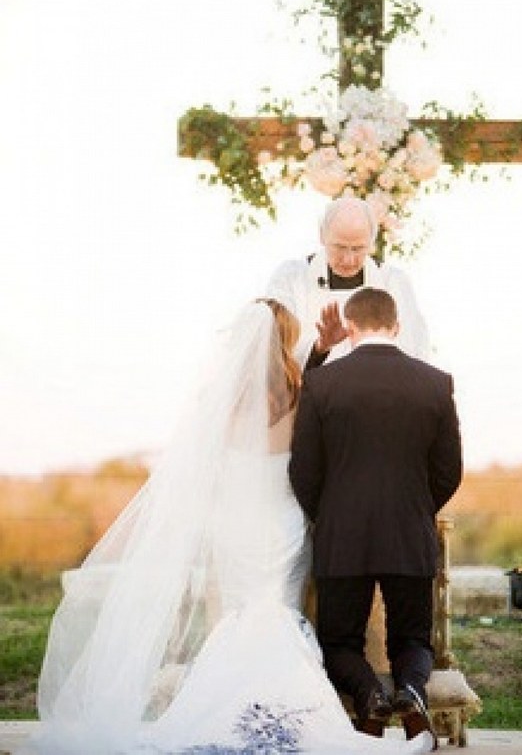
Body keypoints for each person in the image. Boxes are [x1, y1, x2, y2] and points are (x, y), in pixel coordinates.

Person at [24, 298, 435, 755]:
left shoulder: (217, 403)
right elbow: (312, 466)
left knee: (237, 618)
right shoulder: (302, 396)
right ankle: (286, 712)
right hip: (283, 527)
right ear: (284, 344)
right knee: (279, 615)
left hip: (233, 527)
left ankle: (222, 707)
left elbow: (202, 472)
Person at [289, 287, 463, 748]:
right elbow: (450, 471)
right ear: (396, 327)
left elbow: (302, 471)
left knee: (339, 643)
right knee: (413, 641)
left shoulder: (322, 383)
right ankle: (409, 692)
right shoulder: (435, 382)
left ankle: (369, 697)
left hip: (342, 536)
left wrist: (328, 516)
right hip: (410, 533)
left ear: (348, 329)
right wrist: (416, 510)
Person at [265, 196, 430, 369]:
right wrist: (320, 347)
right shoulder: (291, 277)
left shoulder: (393, 281)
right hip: (312, 391)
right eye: (340, 247)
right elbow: (274, 345)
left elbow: (415, 348)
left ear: (372, 242)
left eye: (358, 249)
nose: (349, 260)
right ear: (322, 235)